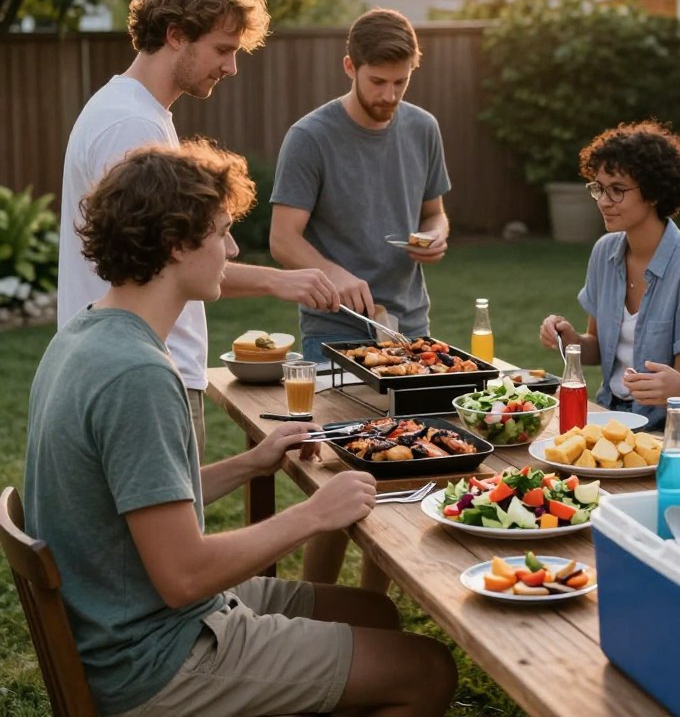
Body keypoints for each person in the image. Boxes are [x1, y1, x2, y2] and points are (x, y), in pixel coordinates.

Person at [25, 141, 456, 717]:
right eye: (223, 233)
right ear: (177, 243)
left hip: (126, 610)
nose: (231, 250)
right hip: (153, 654)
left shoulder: (84, 335)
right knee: (428, 670)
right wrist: (314, 514)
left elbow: (132, 499)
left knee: (372, 612)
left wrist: (250, 463)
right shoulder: (137, 374)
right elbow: (184, 576)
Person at [57, 0, 340, 461]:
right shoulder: (131, 126)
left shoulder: (140, 114)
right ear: (175, 35)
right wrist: (280, 282)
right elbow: (166, 260)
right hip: (142, 372)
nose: (231, 67)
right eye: (223, 49)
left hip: (146, 363)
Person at [269, 6, 450, 583]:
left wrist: (436, 236)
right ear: (350, 66)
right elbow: (282, 239)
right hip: (335, 332)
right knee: (342, 477)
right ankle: (315, 601)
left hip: (410, 332)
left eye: (401, 82)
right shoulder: (310, 137)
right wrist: (333, 274)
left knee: (406, 472)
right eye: (377, 82)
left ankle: (375, 607)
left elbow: (435, 212)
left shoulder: (423, 128)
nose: (389, 95)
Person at [539, 121, 680, 437]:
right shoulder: (605, 252)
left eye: (617, 190)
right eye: (599, 188)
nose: (603, 201)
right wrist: (569, 339)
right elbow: (598, 349)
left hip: (674, 430)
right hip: (611, 415)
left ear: (653, 193)